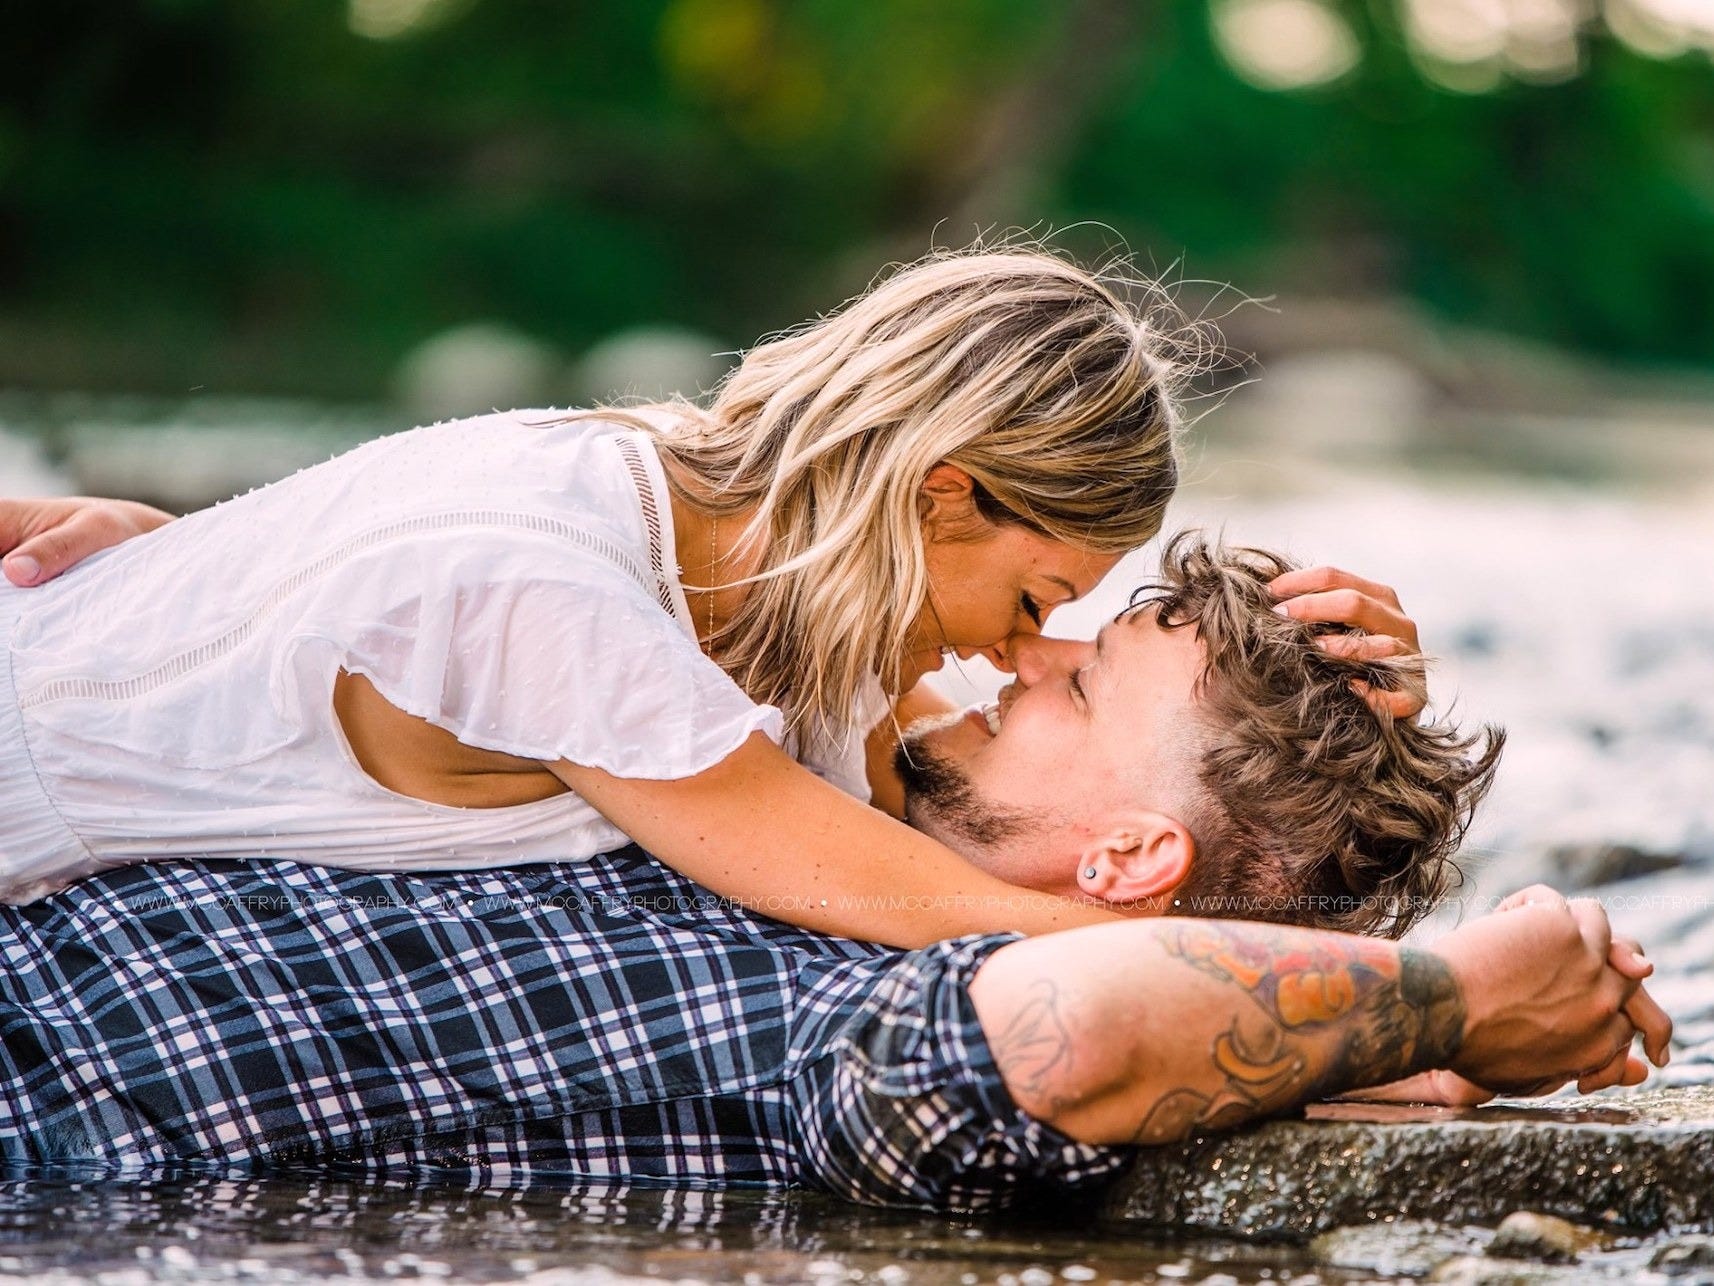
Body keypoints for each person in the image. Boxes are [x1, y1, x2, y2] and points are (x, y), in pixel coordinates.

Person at [0, 246, 1425, 946]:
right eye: (1038, 590)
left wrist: (1336, 723)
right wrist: (1359, 1013)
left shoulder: (761, 582)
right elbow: (930, 899)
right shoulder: (552, 587)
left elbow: (1123, 803)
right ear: (938, 492)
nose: (1019, 650)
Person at [0, 848, 1669, 1210]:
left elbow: (1051, 1037)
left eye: (1067, 682)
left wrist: (1448, 994)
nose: (1003, 671)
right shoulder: (766, 790)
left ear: (1138, 865)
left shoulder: (816, 964)